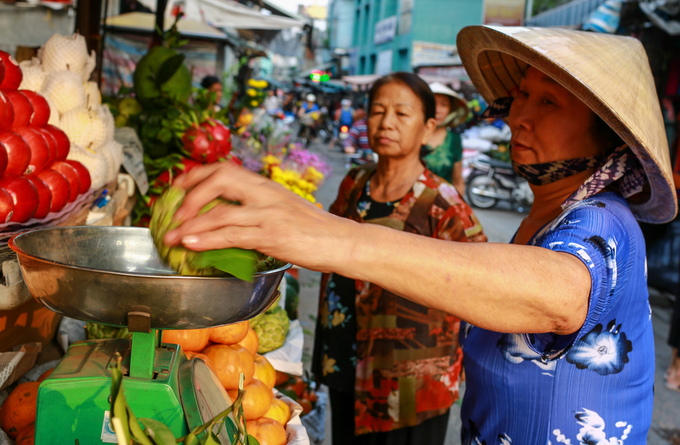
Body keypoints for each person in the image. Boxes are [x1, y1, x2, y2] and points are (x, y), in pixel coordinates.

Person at [164, 26, 678, 444]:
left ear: (605, 130)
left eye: (548, 103)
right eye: (521, 96)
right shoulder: (546, 218)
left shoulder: (602, 221)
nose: (518, 116)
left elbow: (561, 294)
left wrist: (338, 238)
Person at [311, 72, 486, 444]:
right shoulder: (355, 182)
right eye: (377, 111)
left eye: (401, 114)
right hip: (345, 362)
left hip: (409, 386)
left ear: (427, 128)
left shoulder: (443, 203)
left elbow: (482, 285)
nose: (386, 122)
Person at [423, 82, 468, 195]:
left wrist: (459, 209)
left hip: (441, 206)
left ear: (450, 109)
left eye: (444, 105)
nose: (438, 110)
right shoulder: (412, 135)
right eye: (433, 103)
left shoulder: (454, 140)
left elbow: (458, 182)